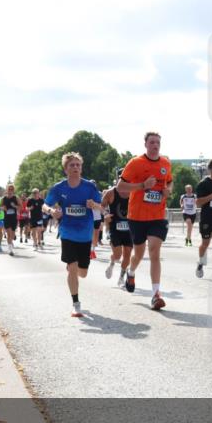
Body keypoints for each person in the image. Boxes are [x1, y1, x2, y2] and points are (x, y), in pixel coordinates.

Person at [117, 132, 173, 310]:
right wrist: (142, 185)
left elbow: (169, 182)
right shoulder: (135, 163)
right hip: (137, 216)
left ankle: (156, 294)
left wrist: (168, 190)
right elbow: (120, 186)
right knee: (139, 254)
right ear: (146, 144)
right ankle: (131, 271)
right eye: (152, 142)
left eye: (158, 142)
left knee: (154, 251)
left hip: (157, 216)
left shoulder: (165, 163)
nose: (155, 145)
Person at [44, 153, 103, 317]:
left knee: (82, 273)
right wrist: (51, 211)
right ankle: (76, 304)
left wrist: (94, 205)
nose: (75, 167)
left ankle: (74, 269)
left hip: (85, 234)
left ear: (81, 168)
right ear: (66, 169)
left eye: (78, 165)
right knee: (72, 268)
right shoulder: (59, 188)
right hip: (67, 232)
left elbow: (102, 208)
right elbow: (45, 205)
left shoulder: (89, 187)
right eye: (72, 165)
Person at [102, 168, 133, 287]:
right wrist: (105, 214)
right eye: (122, 179)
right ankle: (112, 263)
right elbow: (102, 206)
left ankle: (121, 277)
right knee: (117, 255)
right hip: (115, 228)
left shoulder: (134, 192)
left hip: (130, 228)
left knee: (127, 254)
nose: (125, 181)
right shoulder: (111, 193)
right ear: (118, 179)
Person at [0, 184, 19, 257]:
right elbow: (0, 207)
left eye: (12, 189)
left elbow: (20, 207)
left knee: (12, 234)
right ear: (7, 190)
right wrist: (3, 208)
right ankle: (10, 249)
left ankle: (11, 242)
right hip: (7, 218)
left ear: (13, 190)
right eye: (9, 189)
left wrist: (15, 206)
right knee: (9, 233)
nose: (10, 190)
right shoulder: (3, 198)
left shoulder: (16, 198)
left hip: (14, 218)